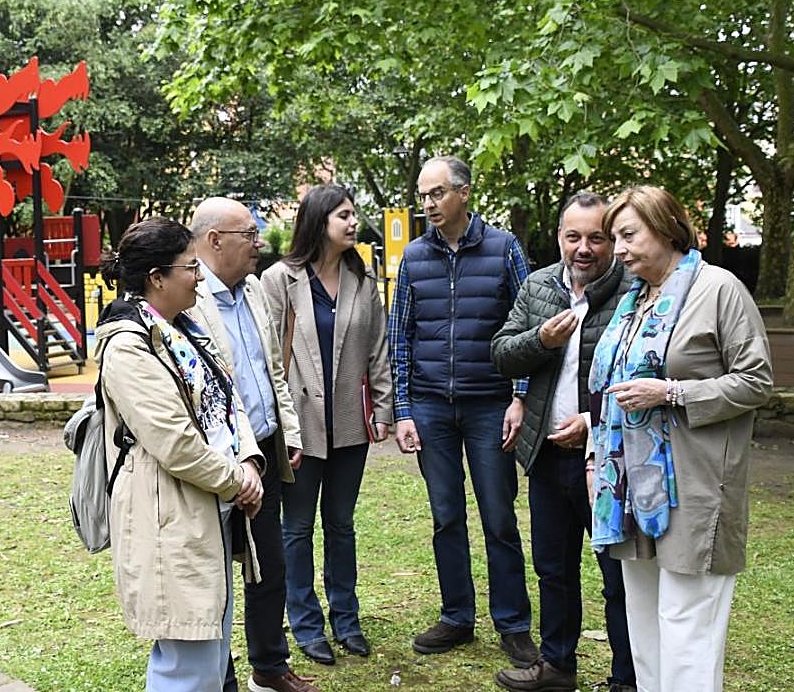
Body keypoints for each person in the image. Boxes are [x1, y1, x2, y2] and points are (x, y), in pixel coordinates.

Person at [589, 186, 773, 692]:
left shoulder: (719, 289)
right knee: (644, 624)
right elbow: (611, 393)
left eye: (629, 235)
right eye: (614, 237)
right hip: (629, 490)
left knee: (686, 621)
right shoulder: (631, 301)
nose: (618, 249)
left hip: (696, 486)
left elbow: (756, 380)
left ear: (667, 227)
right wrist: (594, 455)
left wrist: (671, 392)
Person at [95, 217, 266, 692]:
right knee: (185, 661)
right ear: (157, 278)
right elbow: (175, 442)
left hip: (209, 507)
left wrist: (248, 459)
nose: (198, 276)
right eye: (190, 266)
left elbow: (229, 401)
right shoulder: (128, 347)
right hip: (171, 514)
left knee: (208, 649)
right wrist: (238, 479)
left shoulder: (183, 328)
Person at [388, 155, 539, 668]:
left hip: (490, 406)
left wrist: (519, 395)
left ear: (465, 193)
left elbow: (525, 327)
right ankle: (457, 616)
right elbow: (399, 337)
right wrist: (404, 410)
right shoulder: (412, 257)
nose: (428, 204)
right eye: (423, 196)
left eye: (437, 194)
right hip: (430, 407)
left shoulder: (504, 249)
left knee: (499, 518)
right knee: (445, 516)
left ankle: (513, 624)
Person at [490, 192, 636, 692]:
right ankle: (557, 667)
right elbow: (503, 354)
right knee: (554, 569)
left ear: (612, 240)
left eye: (597, 237)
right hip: (547, 456)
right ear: (559, 238)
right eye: (573, 237)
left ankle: (626, 677)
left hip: (609, 459)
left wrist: (593, 422)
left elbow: (648, 374)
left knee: (617, 577)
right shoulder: (538, 286)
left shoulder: (632, 293)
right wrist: (541, 341)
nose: (584, 248)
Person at [259, 185, 394, 665]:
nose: (354, 223)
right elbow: (270, 355)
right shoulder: (279, 279)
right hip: (300, 427)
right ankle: (306, 624)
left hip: (350, 426)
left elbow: (378, 350)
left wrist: (383, 409)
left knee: (341, 525)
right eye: (344, 215)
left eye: (354, 214)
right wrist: (283, 427)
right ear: (319, 222)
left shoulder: (363, 281)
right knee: (296, 529)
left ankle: (347, 619)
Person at [187, 197, 316, 692]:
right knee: (215, 576)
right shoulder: (189, 298)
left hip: (265, 448)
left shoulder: (256, 289)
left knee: (271, 567)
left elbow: (272, 370)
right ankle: (219, 678)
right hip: (220, 462)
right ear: (215, 240)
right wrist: (235, 460)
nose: (259, 244)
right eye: (250, 234)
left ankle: (269, 665)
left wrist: (290, 435)